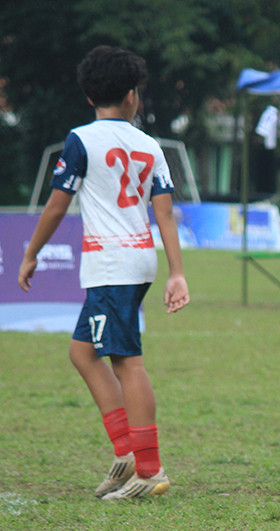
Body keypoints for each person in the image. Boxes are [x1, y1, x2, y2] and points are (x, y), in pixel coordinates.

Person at [17, 46, 189, 500]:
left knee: (126, 361)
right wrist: (176, 272)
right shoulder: (150, 145)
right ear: (132, 95)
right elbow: (165, 215)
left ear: (90, 97)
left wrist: (31, 253)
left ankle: (148, 468)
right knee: (82, 352)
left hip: (111, 264)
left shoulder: (81, 140)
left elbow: (57, 206)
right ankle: (127, 453)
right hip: (136, 259)